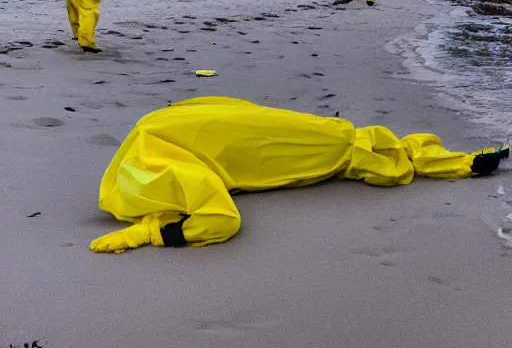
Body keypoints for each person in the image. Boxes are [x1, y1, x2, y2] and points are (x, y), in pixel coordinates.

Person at [88, 96, 509, 254]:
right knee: (354, 141)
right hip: (262, 123)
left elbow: (220, 220)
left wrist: (146, 233)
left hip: (305, 150)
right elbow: (203, 101)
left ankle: (460, 163)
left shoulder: (164, 170)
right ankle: (461, 161)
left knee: (367, 157)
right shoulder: (149, 126)